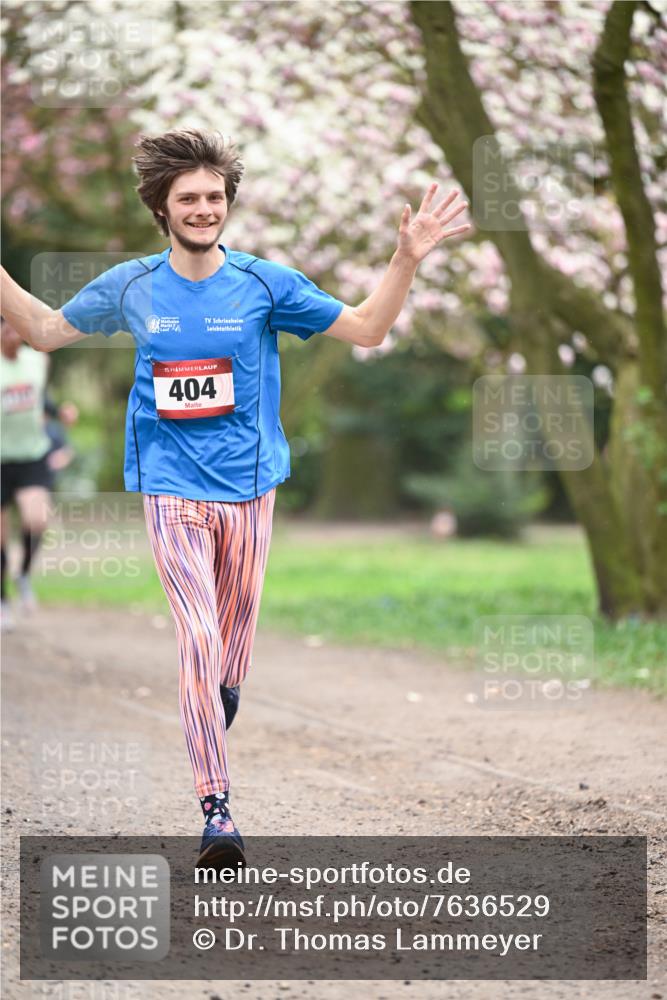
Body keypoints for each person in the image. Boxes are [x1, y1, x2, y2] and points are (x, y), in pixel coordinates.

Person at [0, 128, 470, 867]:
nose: (202, 208)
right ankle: (216, 810)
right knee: (196, 637)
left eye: (213, 197)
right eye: (187, 198)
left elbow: (370, 330)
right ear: (162, 208)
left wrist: (404, 260)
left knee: (228, 652)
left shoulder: (263, 285)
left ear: (227, 205)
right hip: (168, 489)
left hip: (250, 492)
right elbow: (39, 328)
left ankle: (217, 698)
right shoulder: (130, 286)